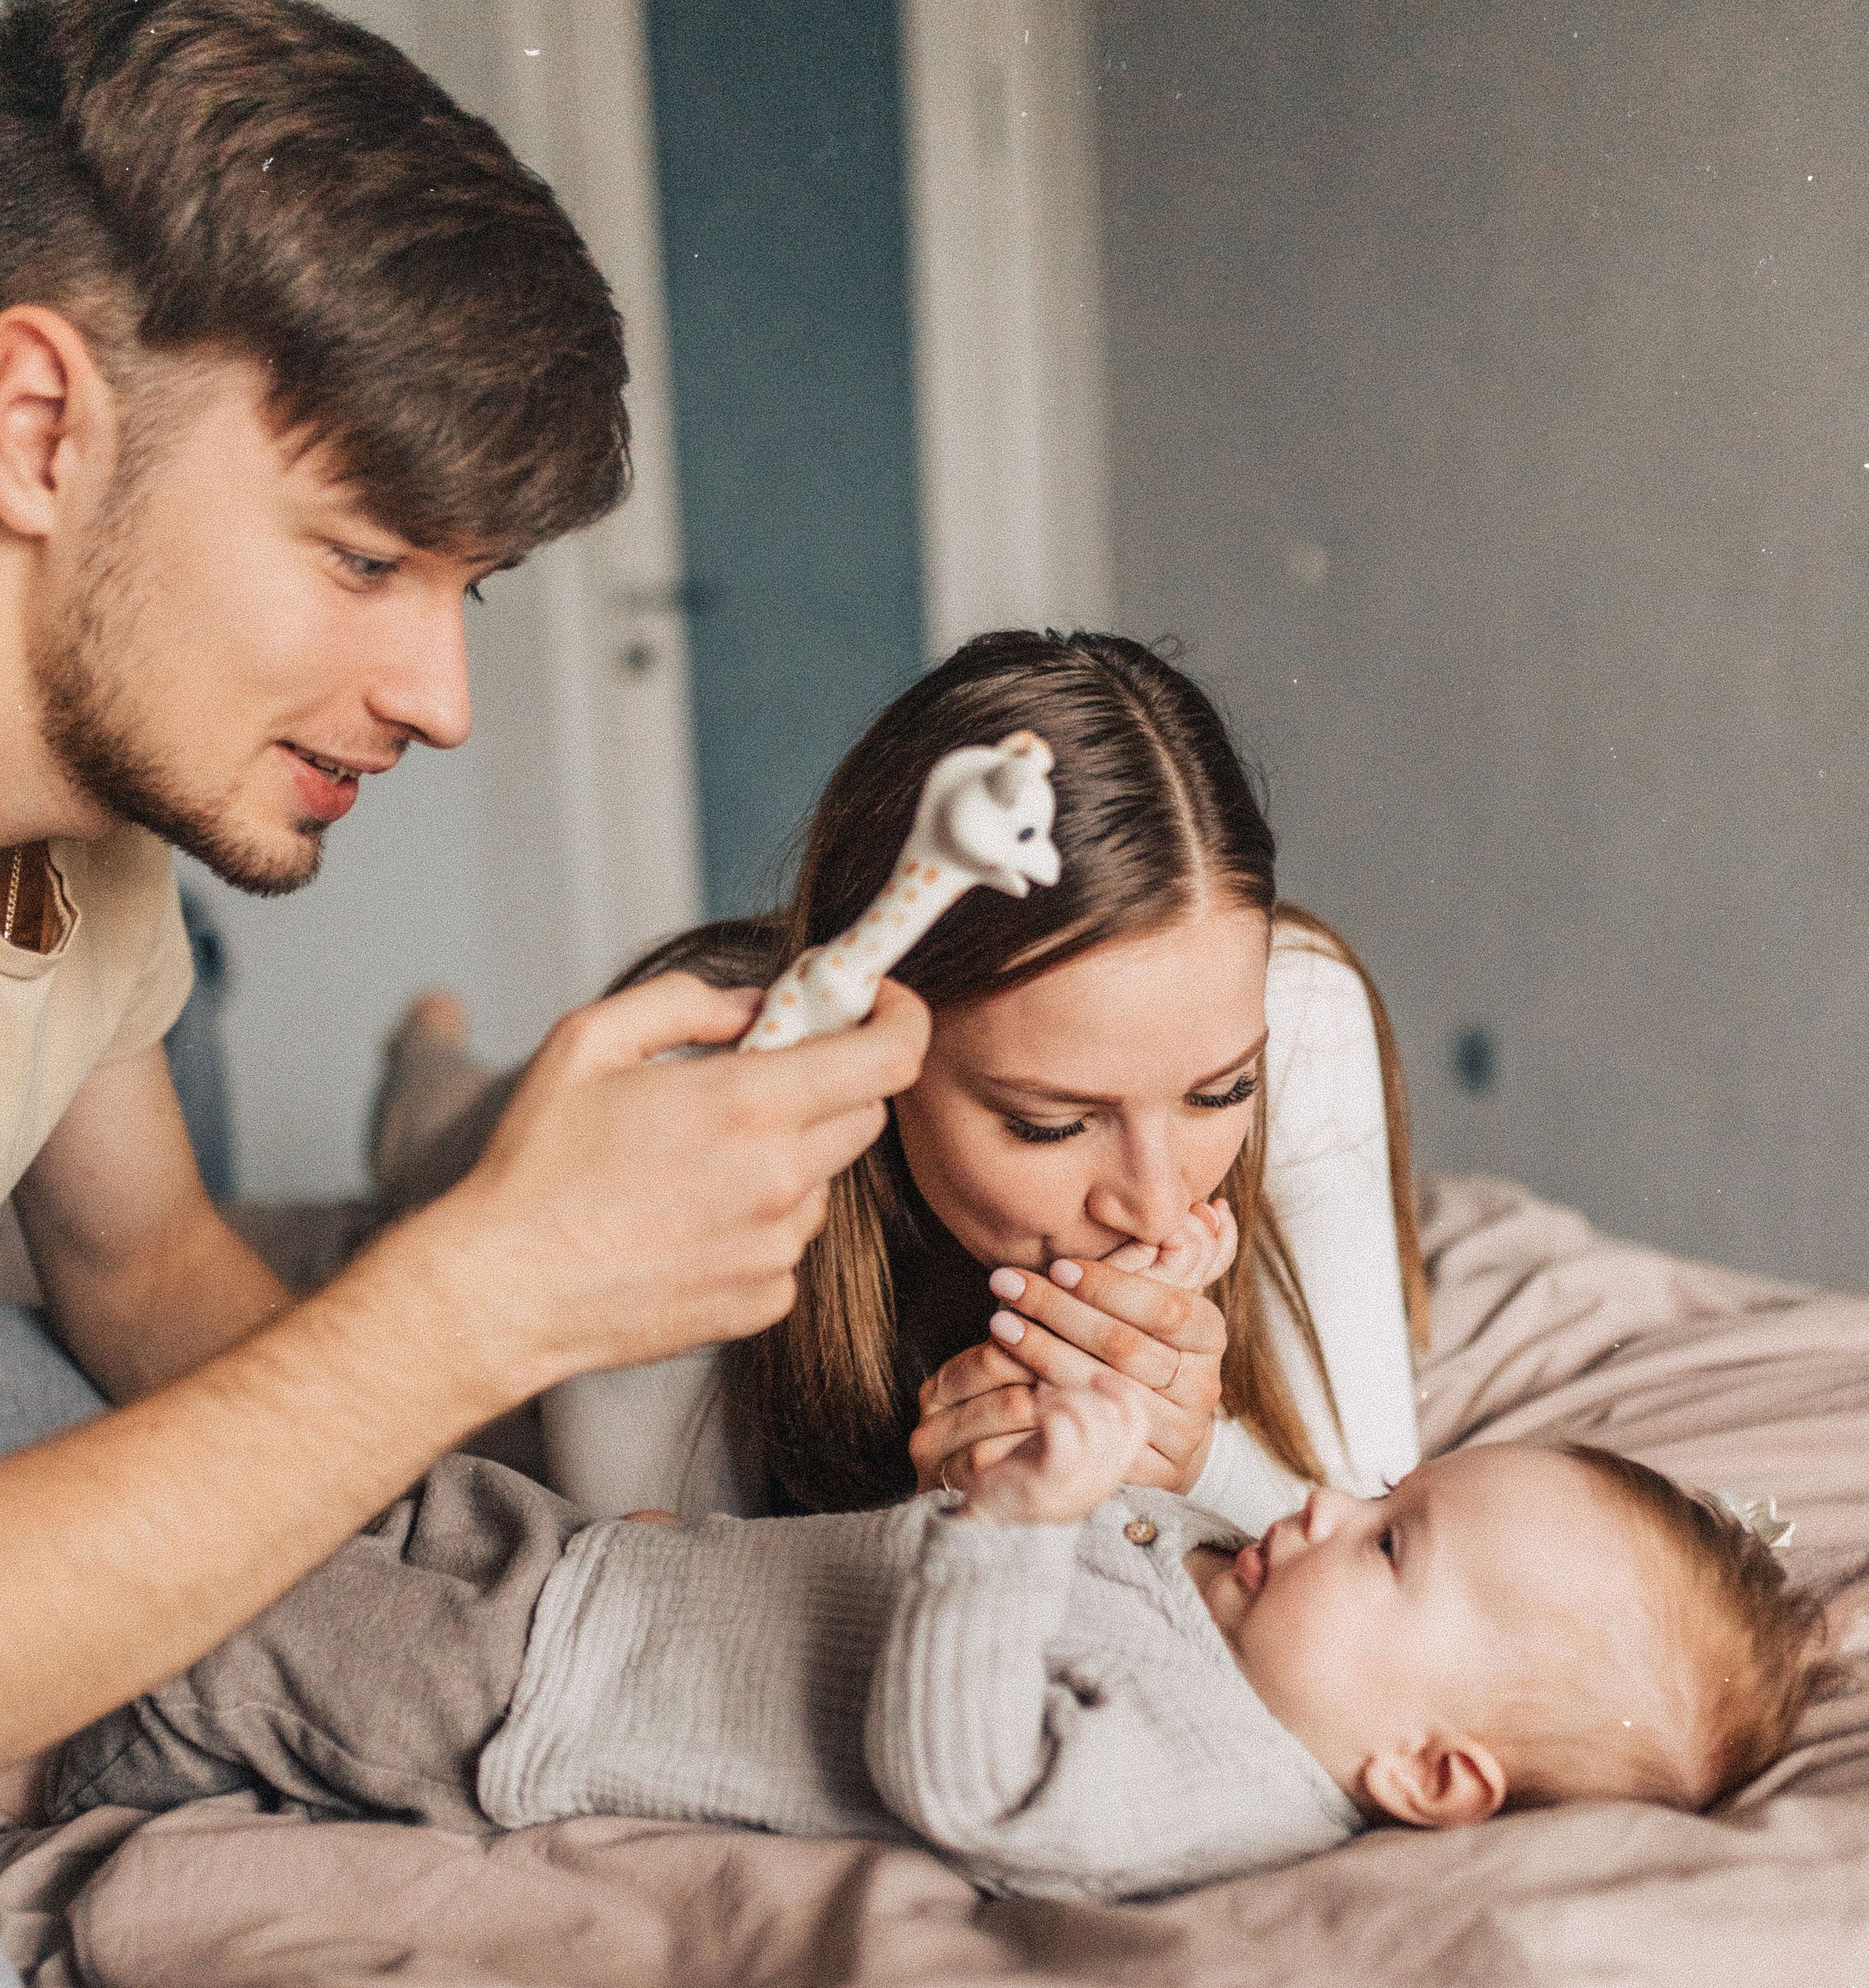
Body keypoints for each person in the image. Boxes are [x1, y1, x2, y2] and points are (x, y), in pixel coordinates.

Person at [0, 0, 924, 1988]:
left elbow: (142, 1264)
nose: (442, 701)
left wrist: (562, 1534)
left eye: (466, 591)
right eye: (357, 562)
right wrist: (475, 1299)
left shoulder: (89, 832)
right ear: (38, 425)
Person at [374, 631, 1429, 1534]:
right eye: (1049, 1124)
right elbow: (652, 1557)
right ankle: (424, 1058)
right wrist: (943, 1528)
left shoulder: (1301, 1012)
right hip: (515, 1126)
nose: (1158, 1201)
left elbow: (1368, 1517)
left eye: (1217, 1096)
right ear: (886, 1054)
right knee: (440, 1141)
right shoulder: (700, 1097)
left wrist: (1197, 1461)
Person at [22, 1384, 1836, 1903]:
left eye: (1387, 1547)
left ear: (1427, 1776)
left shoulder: (1198, 1786)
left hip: (535, 1695)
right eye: (1382, 1493)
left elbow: (968, 1776)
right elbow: (1231, 1481)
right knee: (312, 1497)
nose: (1323, 1515)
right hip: (582, 1570)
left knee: (214, 1631)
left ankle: (43, 1779)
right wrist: (1150, 1430)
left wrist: (1017, 1533)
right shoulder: (1274, 1623)